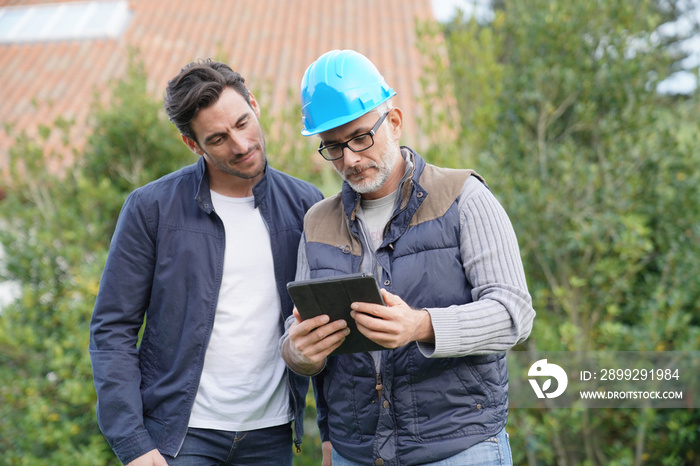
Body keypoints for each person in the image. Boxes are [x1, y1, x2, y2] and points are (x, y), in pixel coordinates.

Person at [281, 49, 536, 466]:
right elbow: (300, 337)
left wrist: (421, 326)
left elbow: (513, 315)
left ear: (394, 122)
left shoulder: (465, 198)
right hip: (355, 454)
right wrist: (299, 352)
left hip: (459, 450)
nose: (350, 159)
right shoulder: (316, 222)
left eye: (361, 137)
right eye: (332, 147)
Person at [89, 59, 323, 466]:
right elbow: (112, 329)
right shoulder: (151, 209)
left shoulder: (306, 205)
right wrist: (134, 445)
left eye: (243, 122)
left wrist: (334, 437)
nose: (241, 144)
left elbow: (325, 328)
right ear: (192, 144)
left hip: (272, 436)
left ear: (254, 104)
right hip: (181, 438)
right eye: (217, 138)